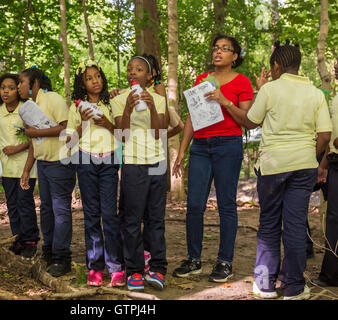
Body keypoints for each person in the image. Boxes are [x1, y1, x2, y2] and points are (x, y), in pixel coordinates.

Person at [243, 40, 332, 299]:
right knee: (294, 226)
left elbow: (250, 121)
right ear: (298, 65)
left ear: (276, 65)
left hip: (273, 166)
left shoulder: (270, 90)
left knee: (269, 223)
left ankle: (265, 284)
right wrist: (308, 155)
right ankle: (294, 287)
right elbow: (325, 136)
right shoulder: (315, 93)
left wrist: (260, 91)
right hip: (304, 165)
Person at [172, 35, 254, 282]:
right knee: (194, 205)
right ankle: (193, 259)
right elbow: (191, 118)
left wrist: (224, 100)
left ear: (234, 56)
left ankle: (224, 262)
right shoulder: (201, 80)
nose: (218, 52)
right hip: (200, 147)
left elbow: (246, 120)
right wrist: (183, 150)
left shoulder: (242, 82)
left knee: (226, 205)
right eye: (216, 47)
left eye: (225, 49)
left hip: (228, 146)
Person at [66, 59, 125, 287]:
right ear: (82, 83)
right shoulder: (75, 107)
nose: (95, 81)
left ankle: (116, 268)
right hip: (85, 160)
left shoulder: (112, 103)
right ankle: (95, 267)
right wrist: (83, 122)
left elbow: (123, 136)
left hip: (109, 161)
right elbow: (69, 142)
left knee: (109, 215)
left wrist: (107, 123)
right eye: (89, 78)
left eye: (98, 76)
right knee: (91, 215)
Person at [111, 55, 167, 291]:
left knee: (155, 219)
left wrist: (153, 107)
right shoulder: (119, 99)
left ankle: (157, 268)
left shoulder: (158, 99)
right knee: (132, 220)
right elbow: (121, 135)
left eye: (139, 69)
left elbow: (159, 133)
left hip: (157, 163)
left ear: (149, 75)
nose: (133, 72)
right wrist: (127, 108)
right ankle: (134, 270)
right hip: (133, 162)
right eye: (130, 69)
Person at [19, 66, 76, 277]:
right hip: (43, 164)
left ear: (33, 83)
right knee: (46, 209)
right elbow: (36, 140)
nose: (18, 87)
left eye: (21, 82)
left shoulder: (53, 99)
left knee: (60, 210)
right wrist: (27, 169)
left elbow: (65, 128)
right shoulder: (30, 106)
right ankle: (49, 251)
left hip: (60, 163)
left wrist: (36, 131)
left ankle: (63, 257)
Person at [0, 73, 39, 259]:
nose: (6, 91)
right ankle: (18, 239)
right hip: (6, 166)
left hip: (27, 164)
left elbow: (36, 136)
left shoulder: (27, 108)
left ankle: (30, 241)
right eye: (3, 87)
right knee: (12, 204)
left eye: (11, 88)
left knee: (24, 202)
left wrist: (18, 148)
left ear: (19, 90)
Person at [314, 62, 338, 287]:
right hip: (334, 161)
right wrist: (324, 163)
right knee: (333, 218)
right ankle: (330, 275)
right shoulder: (334, 97)